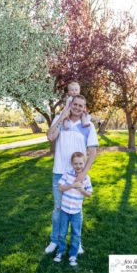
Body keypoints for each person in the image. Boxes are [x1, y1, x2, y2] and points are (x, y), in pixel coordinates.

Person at [45, 95, 98, 254]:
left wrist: (83, 174)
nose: (77, 107)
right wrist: (62, 115)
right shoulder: (61, 121)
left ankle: (77, 243)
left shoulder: (88, 126)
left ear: (84, 108)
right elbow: (50, 136)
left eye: (81, 106)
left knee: (76, 210)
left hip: (77, 174)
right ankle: (54, 240)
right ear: (70, 104)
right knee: (58, 210)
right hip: (60, 172)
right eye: (75, 104)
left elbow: (93, 152)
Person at [53, 152, 92, 266]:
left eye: (80, 163)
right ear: (72, 164)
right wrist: (71, 185)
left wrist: (81, 190)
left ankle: (73, 255)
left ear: (84, 163)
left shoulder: (86, 178)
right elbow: (60, 187)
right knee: (62, 232)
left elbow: (89, 194)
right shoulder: (67, 174)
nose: (78, 166)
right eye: (76, 164)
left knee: (76, 234)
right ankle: (60, 252)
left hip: (76, 212)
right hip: (64, 210)